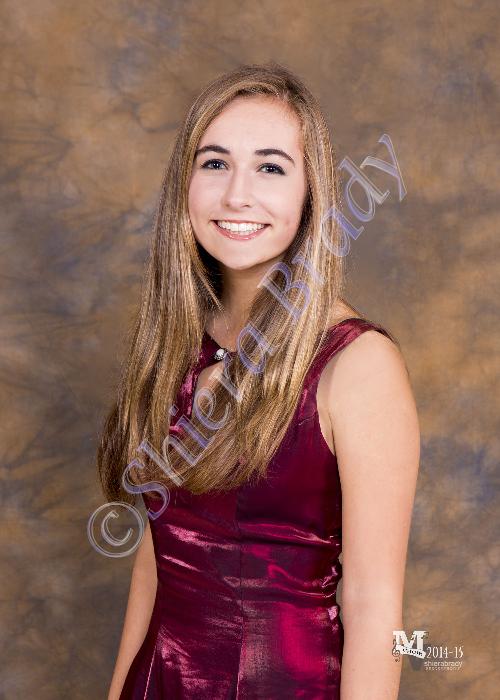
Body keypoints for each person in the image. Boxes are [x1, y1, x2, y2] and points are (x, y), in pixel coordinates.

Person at [100, 62, 420, 699]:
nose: (236, 195)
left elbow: (375, 605)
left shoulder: (358, 365)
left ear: (310, 195)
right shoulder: (176, 343)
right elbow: (157, 560)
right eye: (215, 163)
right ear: (185, 184)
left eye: (270, 167)